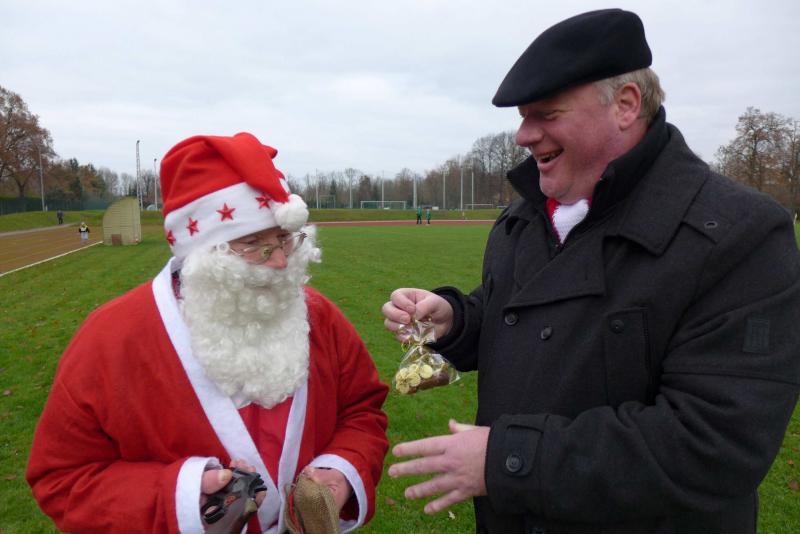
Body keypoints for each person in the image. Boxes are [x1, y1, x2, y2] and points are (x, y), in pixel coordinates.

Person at [382, 9, 800, 534]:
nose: (523, 135)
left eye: (546, 114)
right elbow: (523, 315)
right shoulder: (523, 217)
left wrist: (506, 460)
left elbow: (716, 443)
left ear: (626, 105)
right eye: (523, 117)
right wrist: (456, 319)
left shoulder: (739, 235)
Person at [27, 132, 389, 533]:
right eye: (254, 243)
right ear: (201, 251)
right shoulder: (112, 338)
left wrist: (341, 468)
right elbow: (62, 477)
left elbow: (362, 410)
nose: (281, 262)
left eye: (285, 239)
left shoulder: (320, 317)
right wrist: (179, 498)